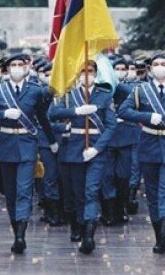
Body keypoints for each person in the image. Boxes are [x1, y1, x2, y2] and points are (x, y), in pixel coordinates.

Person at [0, 54, 57, 255]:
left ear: (26, 68)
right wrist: (3, 114)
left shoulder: (35, 91)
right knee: (11, 193)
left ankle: (21, 235)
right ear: (7, 69)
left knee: (24, 190)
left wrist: (52, 140)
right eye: (13, 65)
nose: (17, 67)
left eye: (20, 64)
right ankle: (16, 231)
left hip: (27, 144)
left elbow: (42, 117)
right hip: (6, 145)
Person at [118, 53, 165, 254]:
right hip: (148, 146)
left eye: (163, 64)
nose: (160, 67)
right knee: (152, 195)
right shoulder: (140, 90)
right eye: (156, 64)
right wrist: (147, 116)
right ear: (150, 68)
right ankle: (159, 237)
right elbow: (123, 111)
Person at [49, 61, 116, 254]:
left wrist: (97, 149)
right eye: (83, 71)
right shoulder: (69, 95)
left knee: (91, 191)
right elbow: (52, 113)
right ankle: (77, 225)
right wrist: (76, 111)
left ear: (96, 73)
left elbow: (111, 125)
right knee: (76, 193)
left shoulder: (105, 95)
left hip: (95, 150)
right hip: (73, 149)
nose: (87, 74)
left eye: (90, 71)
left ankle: (88, 235)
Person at [101, 58, 140, 225]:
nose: (119, 71)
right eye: (115, 69)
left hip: (126, 136)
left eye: (122, 69)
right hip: (106, 138)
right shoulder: (101, 89)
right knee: (107, 175)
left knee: (123, 176)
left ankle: (121, 207)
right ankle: (109, 211)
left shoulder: (128, 89)